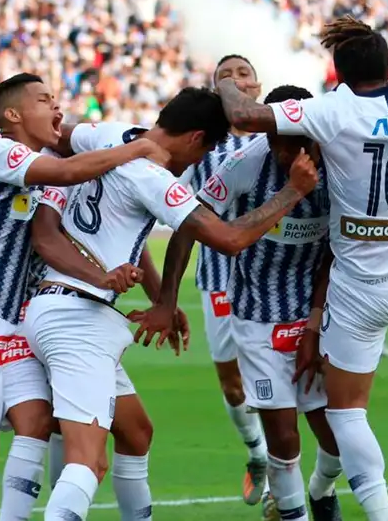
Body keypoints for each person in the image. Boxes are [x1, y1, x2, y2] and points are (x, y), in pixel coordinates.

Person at [21, 87, 319, 521]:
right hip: (75, 319)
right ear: (197, 138)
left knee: (137, 433)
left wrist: (163, 298)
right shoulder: (155, 179)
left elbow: (58, 138)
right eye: (206, 151)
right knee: (85, 460)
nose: (197, 164)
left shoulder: (107, 136)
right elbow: (229, 238)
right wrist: (292, 192)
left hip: (64, 308)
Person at [213, 15, 388, 521]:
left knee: (345, 416)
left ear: (336, 77)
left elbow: (247, 116)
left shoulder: (330, 112)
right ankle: (319, 493)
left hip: (361, 287)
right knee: (317, 422)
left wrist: (228, 83)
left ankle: (373, 512)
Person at [0, 73, 168, 521]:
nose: (57, 109)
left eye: (57, 100)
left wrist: (147, 289)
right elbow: (69, 170)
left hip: (17, 316)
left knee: (36, 422)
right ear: (13, 115)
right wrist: (137, 147)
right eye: (44, 100)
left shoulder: (52, 163)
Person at [147, 84, 344, 521]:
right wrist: (167, 297)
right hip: (257, 317)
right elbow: (186, 225)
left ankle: (323, 491)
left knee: (338, 439)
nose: (279, 149)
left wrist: (314, 322)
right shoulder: (246, 162)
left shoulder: (340, 165)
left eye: (291, 139)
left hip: (319, 313)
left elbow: (337, 250)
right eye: (274, 136)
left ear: (312, 134)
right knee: (285, 441)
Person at [181, 54, 269, 507]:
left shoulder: (280, 137)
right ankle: (258, 454)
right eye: (225, 76)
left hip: (274, 276)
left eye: (243, 73)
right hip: (219, 276)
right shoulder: (202, 142)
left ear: (257, 86)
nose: (235, 80)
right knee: (233, 383)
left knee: (282, 380)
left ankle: (289, 476)